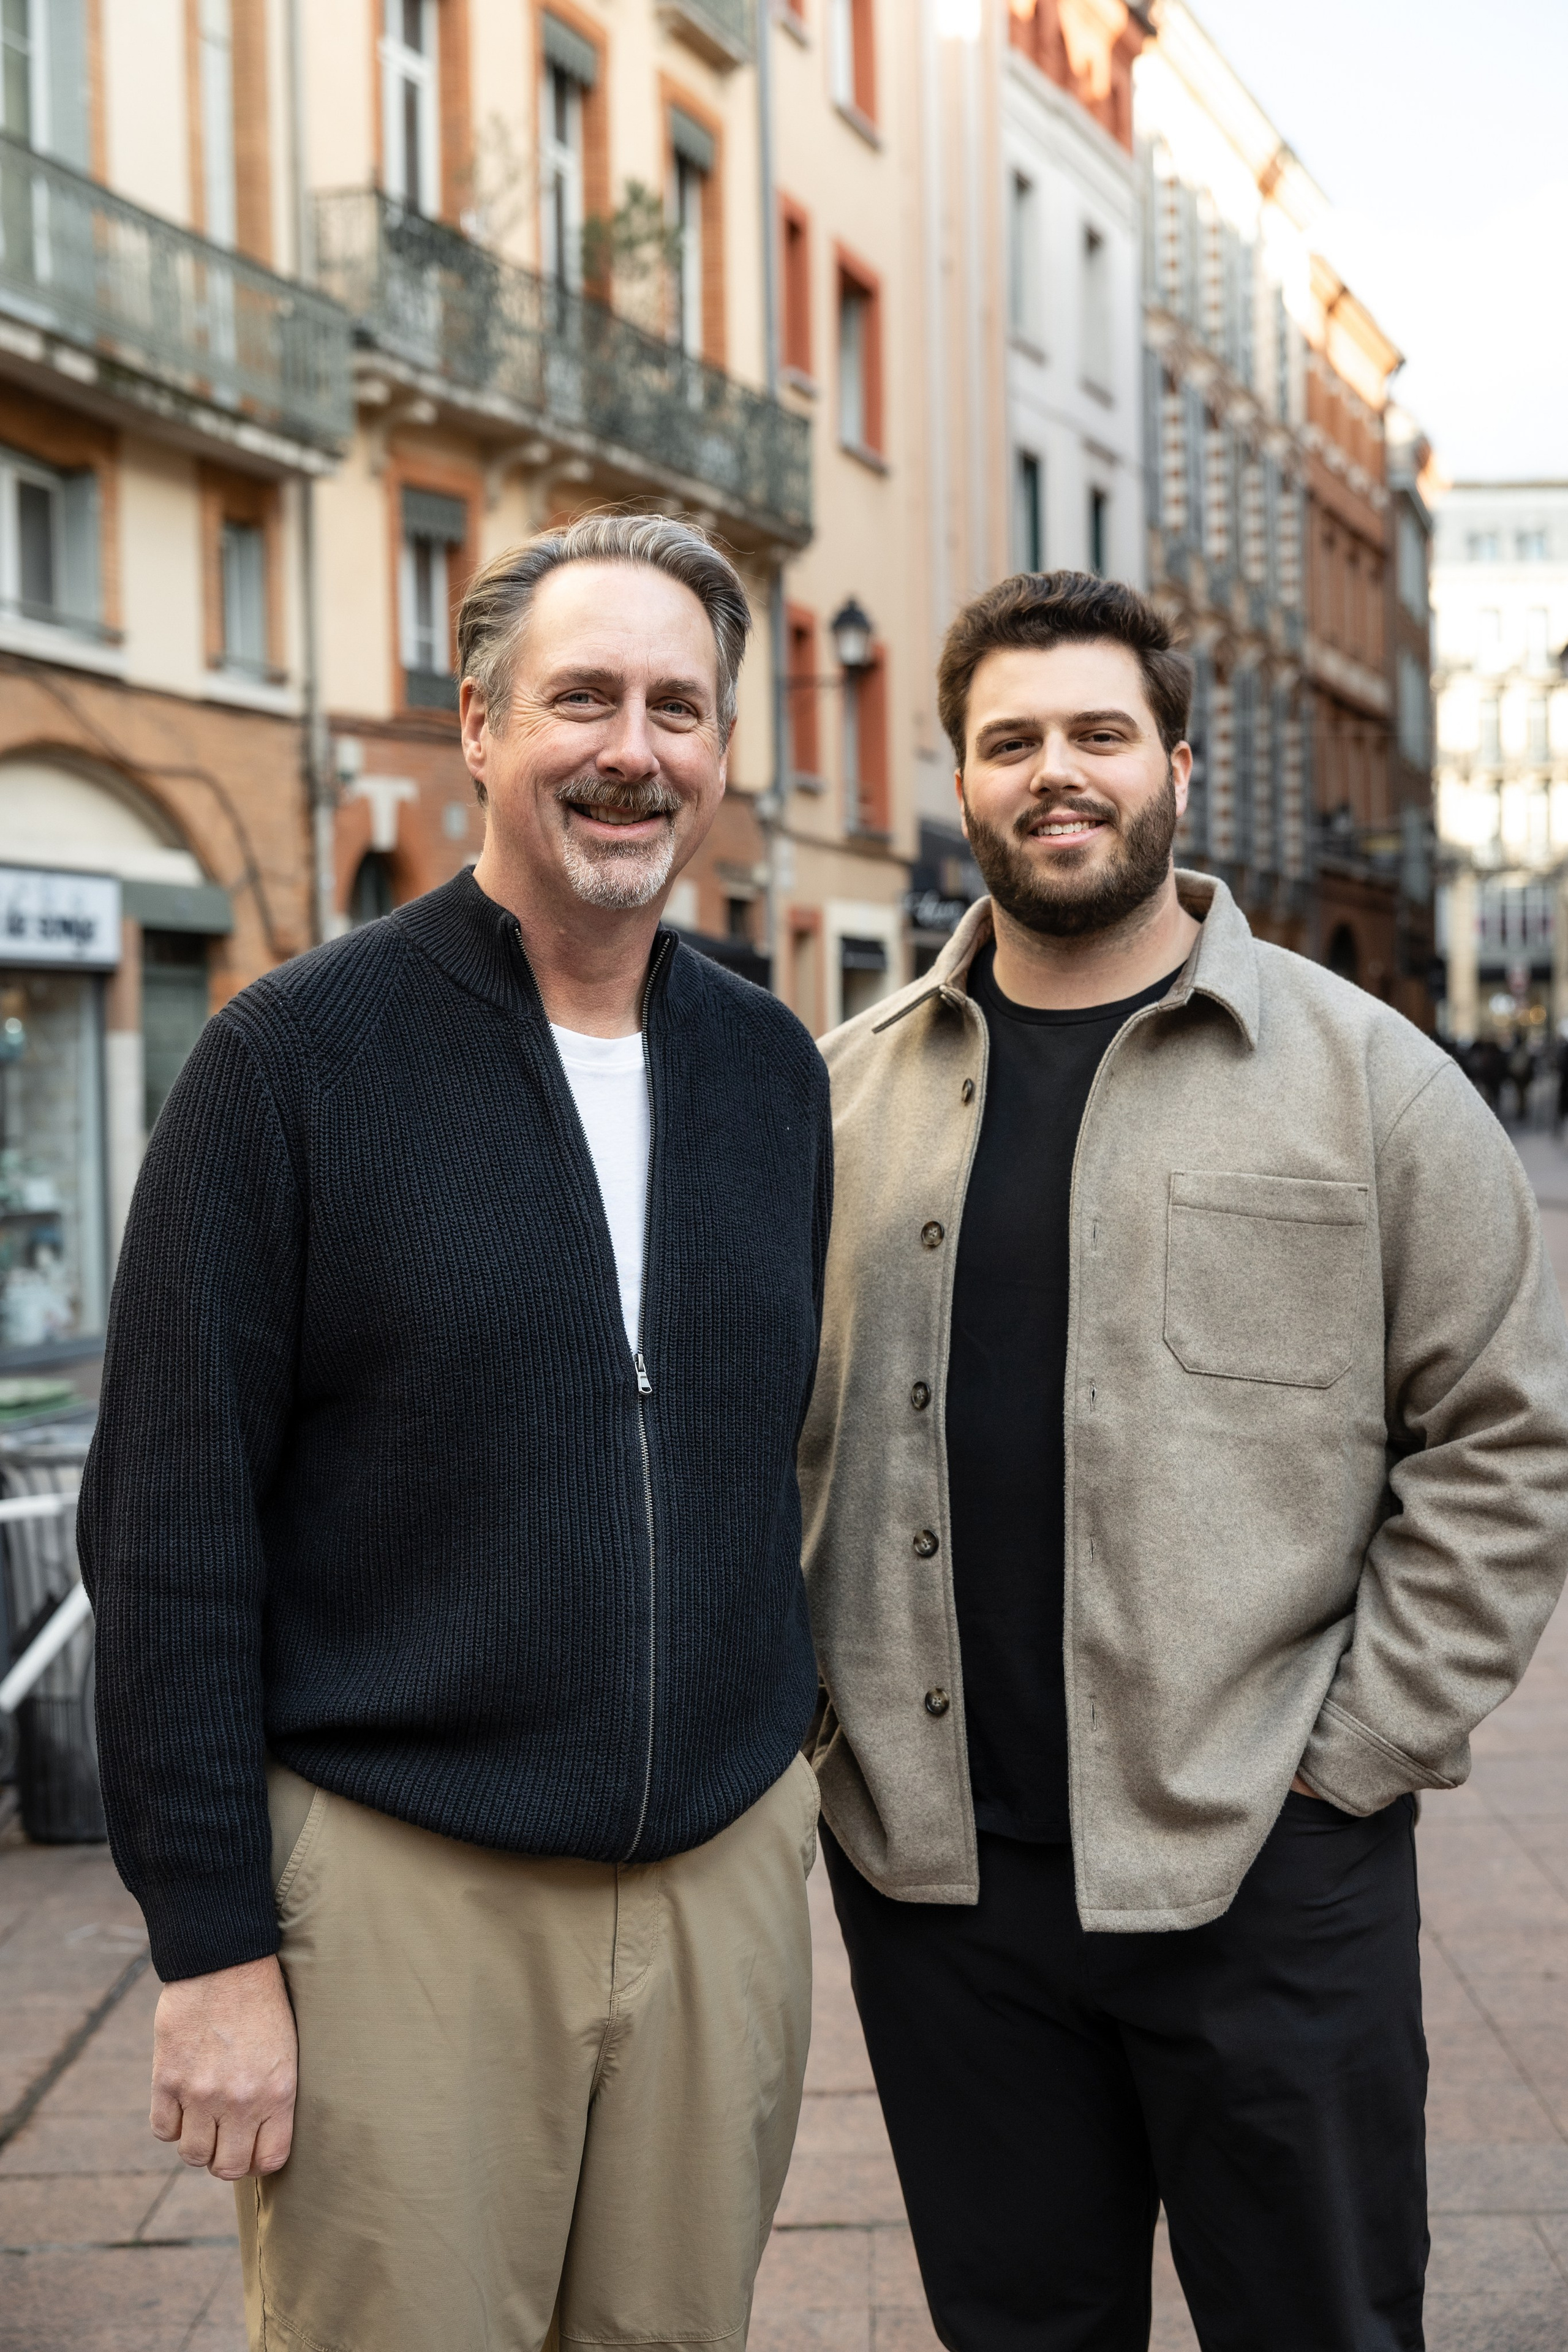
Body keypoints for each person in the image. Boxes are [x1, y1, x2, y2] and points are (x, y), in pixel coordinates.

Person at [80, 513, 831, 2352]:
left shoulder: (771, 1067)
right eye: (582, 697)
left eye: (680, 706)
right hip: (406, 1887)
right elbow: (171, 1532)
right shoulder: (289, 1062)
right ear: (477, 727)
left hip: (719, 1882)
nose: (630, 749)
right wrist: (211, 1951)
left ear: (723, 754)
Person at [797, 568, 1568, 2350]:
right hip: (946, 1896)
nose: (1054, 774)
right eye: (1010, 743)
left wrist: (1357, 1757)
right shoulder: (840, 1095)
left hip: (1267, 1874)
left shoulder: (1371, 1080)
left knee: (1321, 2323)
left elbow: (1506, 1440)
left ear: (1179, 768)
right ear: (965, 778)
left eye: (1097, 735)